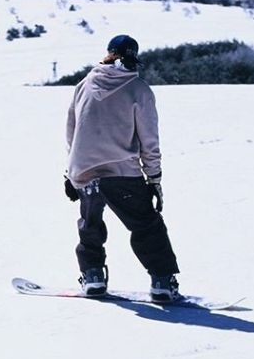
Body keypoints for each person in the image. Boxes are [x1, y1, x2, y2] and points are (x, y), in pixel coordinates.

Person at [63, 33, 181, 303]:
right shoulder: (139, 90)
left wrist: (70, 172)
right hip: (121, 173)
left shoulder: (84, 84)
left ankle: (93, 276)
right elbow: (149, 141)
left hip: (84, 170)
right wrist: (154, 179)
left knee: (90, 226)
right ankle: (162, 281)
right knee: (147, 226)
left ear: (108, 53)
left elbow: (72, 130)